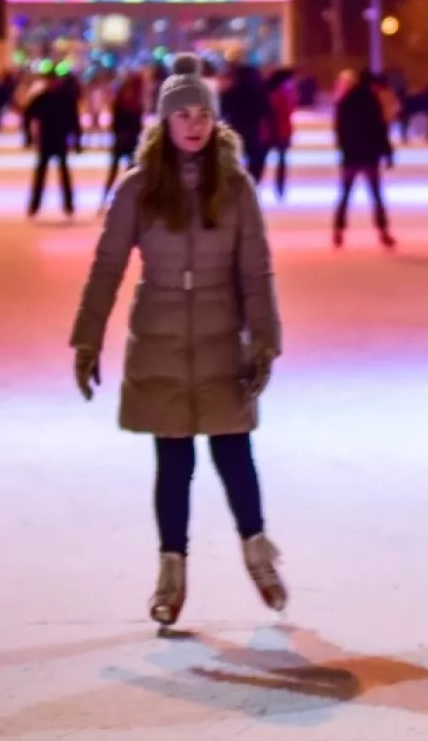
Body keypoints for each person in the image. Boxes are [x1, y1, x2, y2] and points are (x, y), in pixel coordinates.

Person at [69, 53, 288, 629]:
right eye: (181, 114)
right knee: (173, 460)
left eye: (202, 114)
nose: (193, 124)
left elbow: (256, 272)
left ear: (215, 120)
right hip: (160, 337)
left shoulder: (236, 187)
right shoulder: (139, 189)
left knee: (234, 452)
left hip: (222, 337)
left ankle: (258, 552)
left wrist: (263, 340)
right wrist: (86, 339)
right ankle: (172, 570)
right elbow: (107, 267)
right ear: (163, 122)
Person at [332, 70, 396, 250]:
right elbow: (380, 128)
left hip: (351, 154)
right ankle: (383, 231)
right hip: (369, 155)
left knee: (345, 194)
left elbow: (340, 128)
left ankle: (338, 230)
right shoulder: (372, 101)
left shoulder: (346, 101)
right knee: (376, 194)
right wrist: (387, 152)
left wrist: (343, 147)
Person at [24, 71, 82, 220]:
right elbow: (28, 114)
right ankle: (36, 205)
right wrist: (28, 136)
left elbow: (74, 119)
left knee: (61, 173)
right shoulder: (45, 98)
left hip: (58, 139)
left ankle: (67, 205)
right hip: (48, 139)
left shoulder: (61, 98)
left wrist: (77, 140)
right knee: (44, 173)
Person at [220, 63, 277, 186]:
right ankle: (252, 184)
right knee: (256, 160)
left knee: (234, 158)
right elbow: (268, 112)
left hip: (236, 128)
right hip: (254, 130)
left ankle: (237, 185)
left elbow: (224, 109)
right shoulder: (260, 90)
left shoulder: (233, 89)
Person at [101, 71, 148, 207]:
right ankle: (107, 199)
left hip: (128, 142)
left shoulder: (129, 103)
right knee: (119, 172)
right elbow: (118, 124)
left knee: (129, 173)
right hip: (125, 141)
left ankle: (128, 201)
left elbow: (133, 125)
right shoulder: (126, 103)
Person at [265, 68, 297, 199]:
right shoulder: (282, 94)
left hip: (277, 131)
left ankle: (279, 187)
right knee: (281, 161)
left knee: (278, 160)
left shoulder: (273, 93)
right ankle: (279, 187)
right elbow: (288, 110)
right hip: (280, 131)